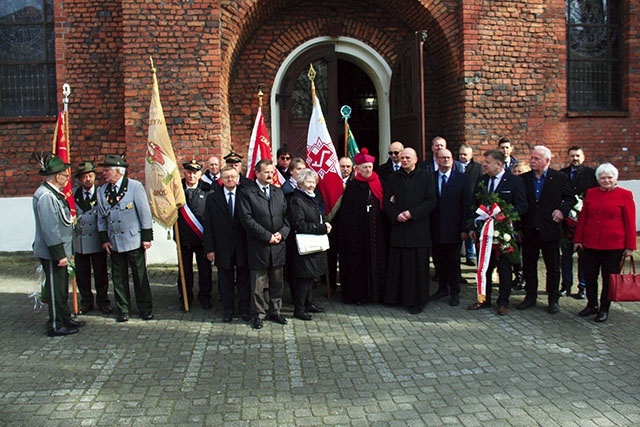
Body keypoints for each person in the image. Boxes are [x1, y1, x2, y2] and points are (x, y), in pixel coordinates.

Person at [573, 163, 636, 322]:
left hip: (613, 245)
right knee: (590, 275)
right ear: (598, 179)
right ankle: (591, 304)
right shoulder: (591, 193)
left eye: (609, 177)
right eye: (603, 177)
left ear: (616, 178)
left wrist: (630, 246)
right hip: (590, 243)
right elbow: (583, 218)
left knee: (609, 278)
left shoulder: (625, 195)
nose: (606, 180)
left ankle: (604, 308)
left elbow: (630, 222)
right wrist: (578, 239)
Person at [467, 150, 527, 315]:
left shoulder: (514, 182)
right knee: (484, 267)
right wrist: (472, 226)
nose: (484, 165)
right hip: (484, 233)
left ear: (499, 164)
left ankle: (503, 302)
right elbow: (474, 205)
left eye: (487, 162)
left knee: (504, 268)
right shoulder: (482, 180)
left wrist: (504, 216)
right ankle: (483, 299)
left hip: (503, 233)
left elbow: (522, 206)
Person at [96, 154, 154, 322]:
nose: (104, 174)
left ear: (118, 172)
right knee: (119, 277)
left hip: (134, 240)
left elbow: (144, 213)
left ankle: (145, 308)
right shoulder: (102, 191)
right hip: (114, 242)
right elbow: (101, 218)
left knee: (140, 276)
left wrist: (146, 237)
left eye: (107, 170)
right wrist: (103, 239)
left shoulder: (134, 187)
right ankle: (123, 308)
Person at [33, 153, 85, 336]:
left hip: (60, 250)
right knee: (56, 289)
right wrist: (59, 254)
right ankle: (55, 324)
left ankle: (65, 318)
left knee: (62, 287)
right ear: (57, 177)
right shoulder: (47, 196)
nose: (66, 179)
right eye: (65, 175)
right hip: (53, 252)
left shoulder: (54, 194)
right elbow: (50, 228)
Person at [517, 146, 574, 314]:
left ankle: (553, 298)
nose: (532, 161)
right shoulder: (524, 179)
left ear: (547, 161)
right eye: (532, 158)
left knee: (553, 266)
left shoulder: (559, 177)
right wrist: (519, 227)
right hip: (529, 229)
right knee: (529, 265)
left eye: (536, 158)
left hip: (550, 228)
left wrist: (562, 211)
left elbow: (570, 198)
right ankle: (530, 296)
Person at [383, 148, 436, 314]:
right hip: (399, 228)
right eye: (402, 157)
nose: (404, 160)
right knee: (399, 266)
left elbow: (431, 201)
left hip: (417, 229)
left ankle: (417, 301)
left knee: (418, 268)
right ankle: (398, 298)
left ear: (415, 159)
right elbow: (386, 201)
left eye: (407, 157)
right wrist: (396, 215)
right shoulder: (393, 178)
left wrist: (411, 213)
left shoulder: (426, 177)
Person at [239, 159, 290, 330]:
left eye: (272, 171)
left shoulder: (278, 192)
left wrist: (281, 234)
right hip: (258, 245)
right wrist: (267, 236)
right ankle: (258, 314)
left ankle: (275, 311)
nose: (270, 174)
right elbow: (247, 220)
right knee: (258, 284)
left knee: (277, 282)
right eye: (267, 172)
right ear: (257, 173)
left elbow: (287, 217)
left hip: (278, 245)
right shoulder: (248, 193)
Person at [339, 148, 387, 304]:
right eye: (364, 167)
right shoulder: (353, 187)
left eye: (370, 167)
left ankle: (376, 293)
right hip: (357, 235)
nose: (367, 170)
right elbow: (346, 212)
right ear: (357, 169)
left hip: (375, 233)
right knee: (358, 264)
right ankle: (359, 295)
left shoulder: (379, 183)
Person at [204, 166, 251, 322]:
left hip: (243, 246)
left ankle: (244, 309)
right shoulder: (212, 198)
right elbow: (208, 225)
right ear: (221, 179)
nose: (230, 179)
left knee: (244, 280)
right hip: (222, 247)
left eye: (233, 176)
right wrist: (209, 248)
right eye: (226, 177)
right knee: (225, 281)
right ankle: (228, 310)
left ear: (238, 178)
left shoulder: (246, 195)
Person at [429, 149, 472, 307]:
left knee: (453, 262)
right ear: (437, 159)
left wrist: (465, 229)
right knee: (439, 261)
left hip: (455, 229)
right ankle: (442, 289)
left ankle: (455, 292)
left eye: (448, 157)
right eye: (442, 158)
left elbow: (466, 205)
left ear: (452, 160)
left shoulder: (462, 179)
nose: (446, 160)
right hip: (436, 228)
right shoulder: (431, 178)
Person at [289, 169, 331, 320]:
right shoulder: (297, 199)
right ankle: (299, 309)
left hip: (314, 242)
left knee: (311, 277)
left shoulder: (314, 197)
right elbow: (298, 224)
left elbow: (319, 215)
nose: (311, 185)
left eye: (313, 182)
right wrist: (321, 228)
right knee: (303, 278)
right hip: (303, 244)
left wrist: (325, 223)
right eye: (308, 182)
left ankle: (309, 303)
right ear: (300, 183)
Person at [73, 161, 111, 315]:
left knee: (101, 273)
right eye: (84, 177)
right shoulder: (73, 194)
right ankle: (86, 301)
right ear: (80, 179)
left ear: (95, 177)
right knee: (82, 274)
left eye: (90, 176)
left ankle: (103, 301)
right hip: (80, 240)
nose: (88, 179)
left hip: (96, 239)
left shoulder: (101, 193)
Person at [560, 146, 598, 299]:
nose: (575, 159)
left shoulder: (592, 174)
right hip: (565, 223)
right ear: (568, 157)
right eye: (572, 156)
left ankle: (583, 286)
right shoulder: (562, 174)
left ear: (583, 157)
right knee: (565, 255)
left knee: (584, 257)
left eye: (577, 156)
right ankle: (566, 285)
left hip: (585, 222)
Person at [176, 160, 212, 309]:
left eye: (195, 172)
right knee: (184, 270)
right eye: (189, 172)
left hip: (202, 238)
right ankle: (185, 296)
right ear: (184, 173)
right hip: (183, 237)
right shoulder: (176, 189)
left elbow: (211, 216)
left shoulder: (208, 189)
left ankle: (205, 297)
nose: (191, 175)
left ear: (200, 174)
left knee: (204, 270)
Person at [458, 144, 482, 266]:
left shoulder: (478, 168)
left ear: (471, 155)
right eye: (460, 154)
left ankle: (470, 255)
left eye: (465, 154)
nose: (462, 157)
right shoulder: (455, 166)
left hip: (472, 203)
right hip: (458, 203)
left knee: (470, 229)